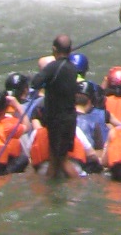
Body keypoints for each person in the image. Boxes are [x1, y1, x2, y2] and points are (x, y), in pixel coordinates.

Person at [29, 33, 82, 179]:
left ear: (54, 49)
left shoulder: (52, 67)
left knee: (59, 161)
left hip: (56, 121)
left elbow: (35, 83)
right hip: (70, 118)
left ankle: (76, 187)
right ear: (70, 50)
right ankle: (53, 191)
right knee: (57, 159)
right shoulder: (73, 68)